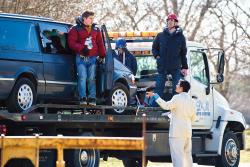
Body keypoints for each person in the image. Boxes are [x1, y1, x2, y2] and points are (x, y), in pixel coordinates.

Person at [146, 80, 196, 167]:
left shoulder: (177, 98)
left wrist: (155, 95)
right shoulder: (192, 101)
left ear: (181, 88)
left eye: (178, 84)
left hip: (177, 133)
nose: (176, 85)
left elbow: (166, 106)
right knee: (187, 157)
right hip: (188, 132)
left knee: (178, 158)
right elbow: (193, 117)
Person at [68, 11, 106, 106]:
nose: (92, 20)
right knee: (82, 77)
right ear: (84, 18)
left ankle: (92, 98)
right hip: (80, 58)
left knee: (91, 78)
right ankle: (82, 98)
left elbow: (100, 43)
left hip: (92, 58)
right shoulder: (75, 29)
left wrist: (102, 55)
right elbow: (71, 43)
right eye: (90, 18)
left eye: (93, 18)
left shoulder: (96, 30)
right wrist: (82, 48)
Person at [152, 13, 188, 101]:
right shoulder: (160, 36)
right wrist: (157, 56)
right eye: (168, 20)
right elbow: (154, 48)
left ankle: (175, 105)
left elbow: (183, 53)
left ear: (175, 23)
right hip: (162, 66)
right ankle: (155, 106)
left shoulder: (181, 37)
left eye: (172, 20)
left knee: (177, 87)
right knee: (159, 87)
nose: (170, 22)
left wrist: (184, 67)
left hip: (175, 67)